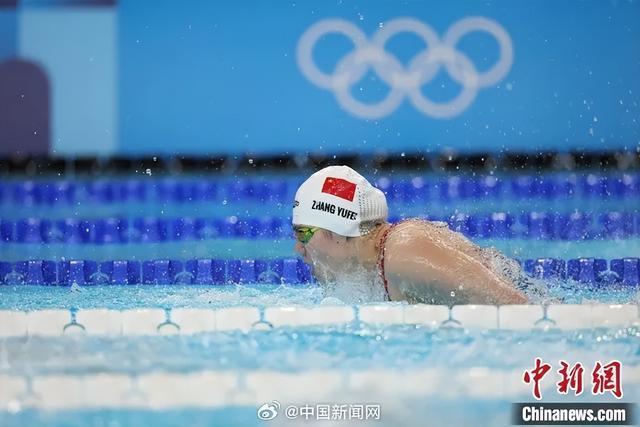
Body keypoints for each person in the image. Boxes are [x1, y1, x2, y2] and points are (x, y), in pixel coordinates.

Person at [292, 165, 533, 305]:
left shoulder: (405, 254)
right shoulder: (380, 265)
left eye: (303, 234)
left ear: (338, 230)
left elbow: (520, 309)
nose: (298, 248)